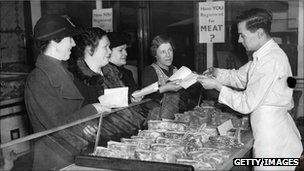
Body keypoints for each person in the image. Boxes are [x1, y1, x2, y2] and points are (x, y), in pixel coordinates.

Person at [197, 8, 302, 170]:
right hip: (269, 133)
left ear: (259, 33)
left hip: (273, 141)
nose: (239, 40)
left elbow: (246, 103)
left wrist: (217, 86)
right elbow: (240, 77)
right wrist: (216, 73)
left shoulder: (271, 60)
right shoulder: (263, 56)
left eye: (243, 35)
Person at [24, 15, 110, 170]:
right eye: (69, 37)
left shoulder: (63, 70)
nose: (73, 42)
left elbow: (73, 118)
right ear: (54, 42)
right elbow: (56, 127)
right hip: (54, 162)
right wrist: (93, 109)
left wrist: (87, 128)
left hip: (74, 155)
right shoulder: (37, 79)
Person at [68, 28, 146, 145]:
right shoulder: (77, 81)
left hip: (128, 136)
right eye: (105, 47)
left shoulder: (113, 72)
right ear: (90, 50)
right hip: (104, 143)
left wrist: (131, 98)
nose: (109, 52)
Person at [142, 35, 187, 120]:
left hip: (176, 117)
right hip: (157, 120)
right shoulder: (149, 71)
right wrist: (166, 88)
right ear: (155, 54)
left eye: (170, 50)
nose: (168, 55)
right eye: (163, 52)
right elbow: (146, 97)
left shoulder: (175, 70)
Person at [101, 32, 141, 102]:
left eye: (125, 49)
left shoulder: (127, 72)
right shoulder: (104, 73)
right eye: (120, 50)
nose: (125, 53)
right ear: (108, 51)